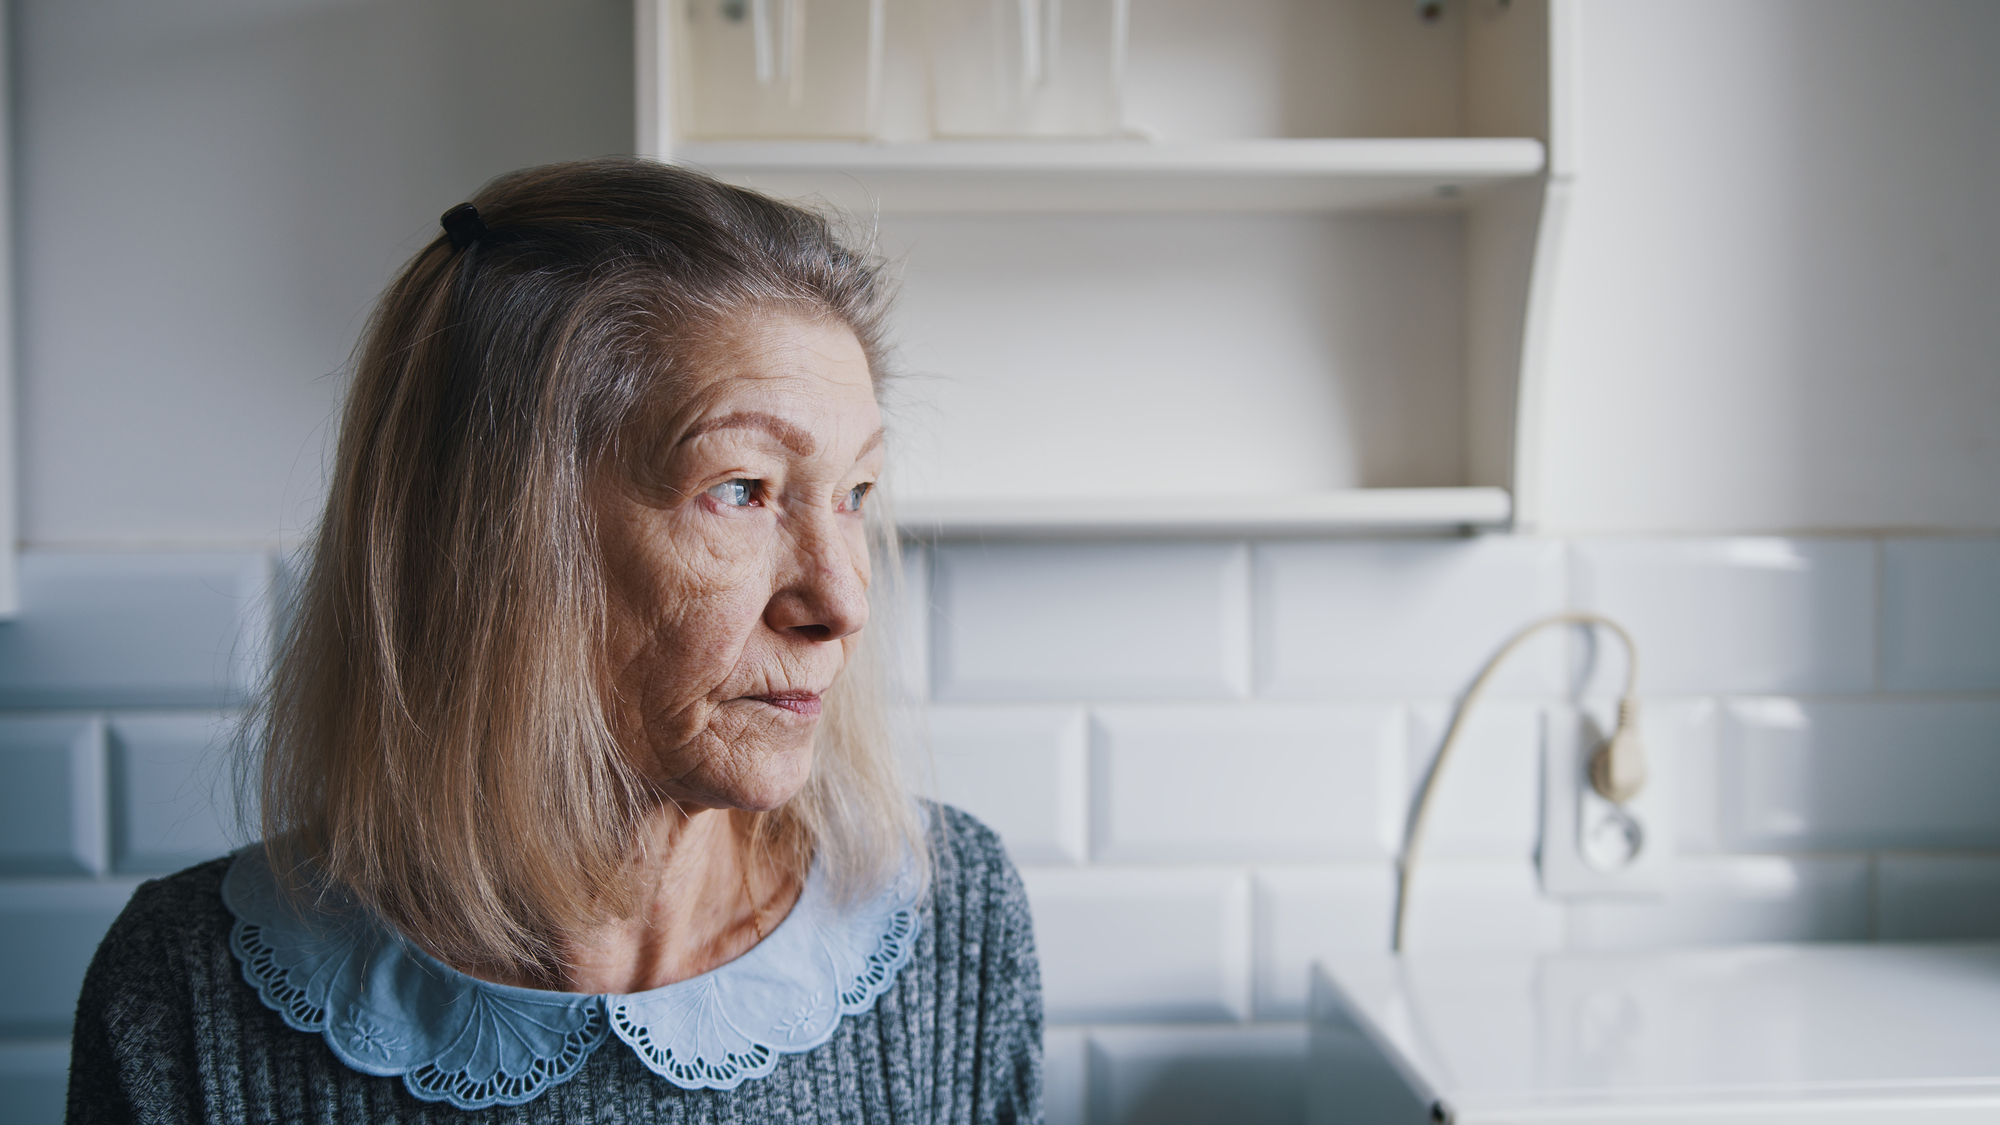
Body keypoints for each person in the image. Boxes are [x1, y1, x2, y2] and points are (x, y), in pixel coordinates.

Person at [66, 158, 1042, 1123]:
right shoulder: (184, 992)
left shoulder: (945, 923)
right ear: (495, 540)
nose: (840, 602)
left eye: (853, 495)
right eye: (739, 491)